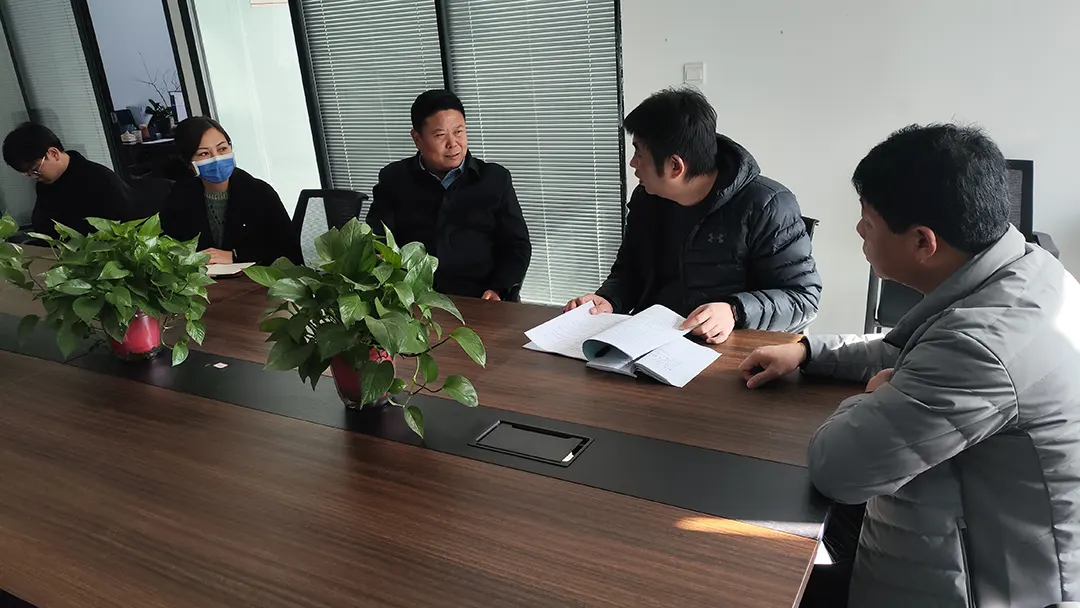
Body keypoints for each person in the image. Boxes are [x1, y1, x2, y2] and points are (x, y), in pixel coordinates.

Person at [740, 124, 1080, 607]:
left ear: (923, 242)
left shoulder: (980, 347)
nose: (859, 230)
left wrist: (875, 395)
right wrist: (809, 351)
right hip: (982, 532)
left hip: (981, 585)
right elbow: (908, 349)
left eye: (868, 221)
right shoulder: (1027, 267)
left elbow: (839, 469)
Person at [564, 88, 820, 343]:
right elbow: (629, 272)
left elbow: (803, 299)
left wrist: (734, 311)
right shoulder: (647, 199)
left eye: (639, 153)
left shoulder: (768, 205)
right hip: (649, 341)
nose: (633, 163)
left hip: (726, 349)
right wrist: (608, 300)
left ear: (675, 166)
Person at [366, 89, 531, 301]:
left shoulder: (495, 179)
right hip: (414, 300)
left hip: (482, 299)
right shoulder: (394, 179)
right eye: (440, 135)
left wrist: (498, 289)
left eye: (459, 131)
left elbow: (517, 246)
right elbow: (378, 239)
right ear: (417, 138)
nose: (453, 143)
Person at [161, 117, 300, 266]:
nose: (217, 158)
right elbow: (167, 246)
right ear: (189, 163)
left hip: (253, 277)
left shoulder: (259, 192)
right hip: (202, 278)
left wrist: (236, 255)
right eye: (204, 153)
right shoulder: (180, 195)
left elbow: (288, 251)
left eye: (222, 149)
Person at [2, 122, 134, 237]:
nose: (33, 177)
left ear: (53, 153)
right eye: (27, 174)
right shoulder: (46, 184)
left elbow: (125, 227)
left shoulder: (99, 179)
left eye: (35, 169)